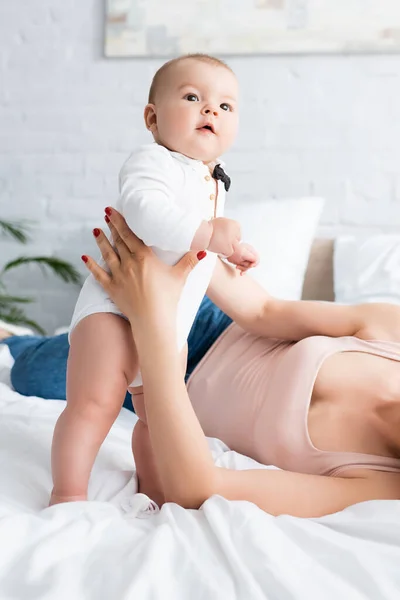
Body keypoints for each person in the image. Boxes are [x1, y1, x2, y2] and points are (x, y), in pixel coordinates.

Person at [76, 208, 400, 518]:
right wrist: (186, 247)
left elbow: (198, 489)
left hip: (162, 395)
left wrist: (152, 321)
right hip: (209, 323)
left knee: (29, 367)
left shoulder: (380, 486)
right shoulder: (392, 334)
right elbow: (263, 311)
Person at [51, 53, 259, 506]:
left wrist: (229, 252)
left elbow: (196, 252)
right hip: (115, 312)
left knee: (157, 419)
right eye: (192, 97)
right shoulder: (153, 161)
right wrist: (209, 233)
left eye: (226, 106)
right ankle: (67, 491)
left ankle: (156, 487)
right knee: (94, 405)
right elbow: (147, 213)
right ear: (152, 117)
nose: (211, 110)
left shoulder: (214, 181)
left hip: (170, 324)